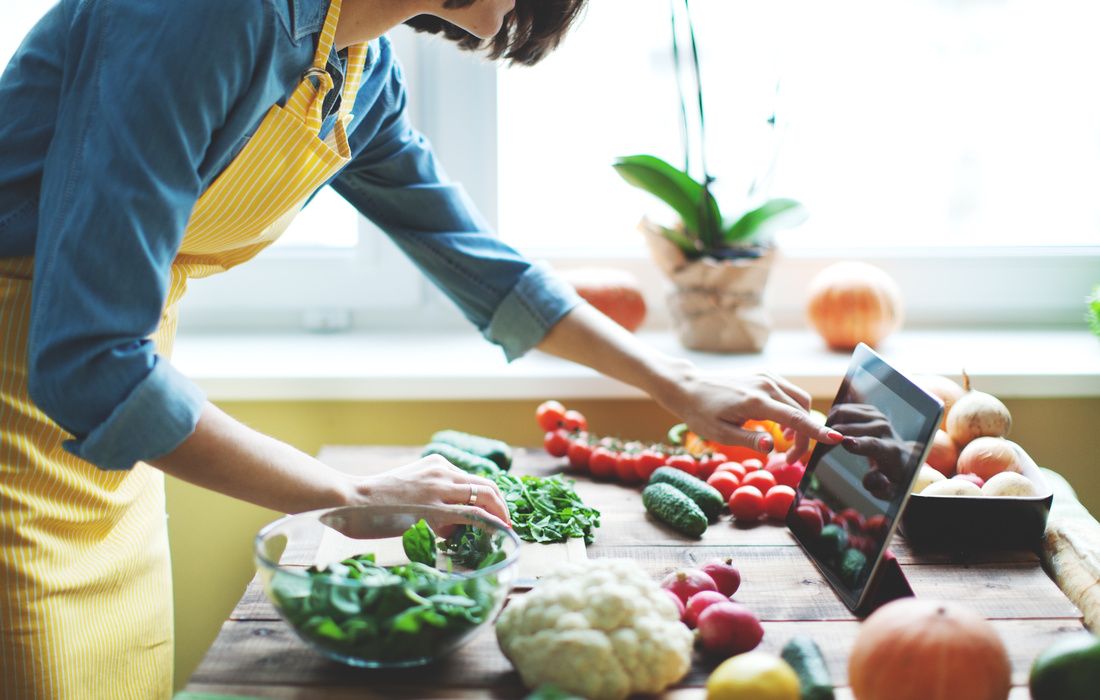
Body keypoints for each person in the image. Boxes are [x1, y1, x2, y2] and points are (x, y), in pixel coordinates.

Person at [0, 0, 842, 696]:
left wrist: (678, 381)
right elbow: (88, 358)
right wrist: (353, 491)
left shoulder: (354, 66)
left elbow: (477, 262)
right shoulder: (205, 15)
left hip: (111, 442)